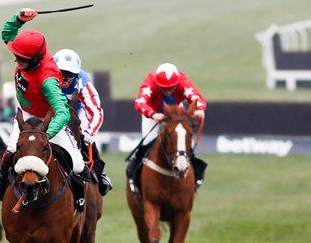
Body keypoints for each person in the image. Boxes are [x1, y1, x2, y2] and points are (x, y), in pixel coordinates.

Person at [0, 8, 89, 207]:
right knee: (9, 151)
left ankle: (79, 198)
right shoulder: (27, 54)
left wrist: (45, 134)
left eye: (20, 58)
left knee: (77, 164)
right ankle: (0, 182)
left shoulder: (48, 79)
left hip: (47, 120)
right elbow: (7, 34)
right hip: (25, 114)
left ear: (34, 59)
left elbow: (63, 112)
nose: (16, 60)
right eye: (16, 55)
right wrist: (19, 19)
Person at [126, 62, 208, 194]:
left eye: (172, 88)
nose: (168, 92)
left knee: (183, 143)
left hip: (175, 114)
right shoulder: (150, 81)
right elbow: (140, 103)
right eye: (164, 89)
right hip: (153, 115)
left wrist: (200, 109)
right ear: (157, 84)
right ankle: (133, 175)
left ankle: (196, 174)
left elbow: (196, 97)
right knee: (148, 143)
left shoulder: (182, 80)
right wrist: (153, 114)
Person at [53, 48, 112, 196]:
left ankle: (100, 174)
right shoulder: (47, 77)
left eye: (70, 76)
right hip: (51, 110)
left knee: (86, 140)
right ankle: (5, 175)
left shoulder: (83, 81)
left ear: (76, 74)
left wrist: (89, 132)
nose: (65, 80)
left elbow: (96, 111)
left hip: (76, 112)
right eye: (62, 74)